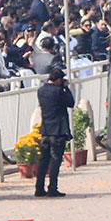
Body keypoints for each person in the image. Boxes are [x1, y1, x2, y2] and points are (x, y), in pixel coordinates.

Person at [34, 65, 73, 198]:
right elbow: (71, 102)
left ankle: (39, 188)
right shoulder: (58, 91)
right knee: (56, 160)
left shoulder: (41, 91)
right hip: (58, 131)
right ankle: (52, 188)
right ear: (58, 80)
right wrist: (65, 87)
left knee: (43, 160)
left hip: (45, 130)